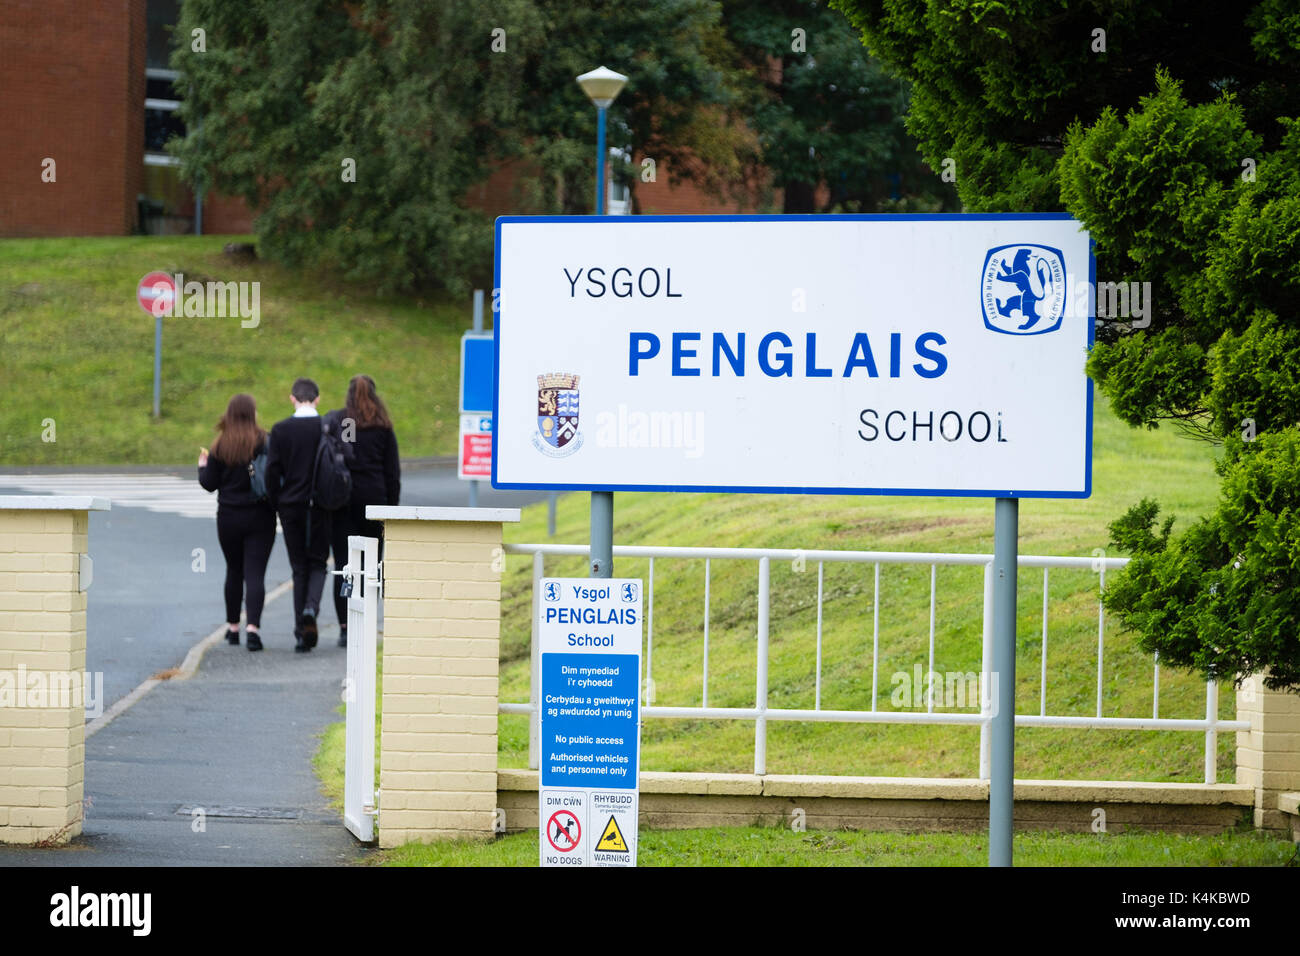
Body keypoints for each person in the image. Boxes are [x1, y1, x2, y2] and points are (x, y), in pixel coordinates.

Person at [326, 374, 401, 647]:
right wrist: (392, 510)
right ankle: (368, 622)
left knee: (345, 564)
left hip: (343, 501)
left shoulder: (340, 421)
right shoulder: (382, 427)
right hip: (375, 501)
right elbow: (392, 473)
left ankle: (346, 628)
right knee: (372, 565)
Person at [197, 394, 276, 652]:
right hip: (260, 515)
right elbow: (274, 476)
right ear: (253, 413)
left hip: (229, 517)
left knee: (234, 570)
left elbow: (209, 485)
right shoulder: (264, 440)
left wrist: (202, 467)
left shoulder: (221, 445)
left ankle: (232, 628)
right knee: (255, 573)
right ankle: (253, 629)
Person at [266, 377, 336, 653]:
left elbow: (272, 471)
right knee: (318, 563)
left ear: (292, 398)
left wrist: (277, 502)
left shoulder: (281, 430)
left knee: (299, 567)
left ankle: (299, 632)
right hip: (321, 505)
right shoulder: (327, 427)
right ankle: (311, 608)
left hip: (291, 506)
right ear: (317, 399)